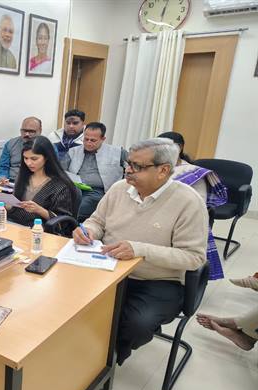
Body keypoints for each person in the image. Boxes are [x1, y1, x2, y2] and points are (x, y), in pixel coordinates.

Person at [73, 138, 208, 365]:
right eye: (129, 163)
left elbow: (193, 257)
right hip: (109, 269)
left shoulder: (188, 202)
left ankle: (110, 360)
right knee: (72, 304)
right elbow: (97, 221)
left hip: (157, 280)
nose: (128, 170)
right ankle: (86, 354)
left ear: (163, 170)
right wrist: (88, 231)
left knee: (137, 324)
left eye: (137, 166)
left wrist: (140, 250)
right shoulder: (119, 189)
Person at [158, 131, 228, 280]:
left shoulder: (193, 172)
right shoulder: (153, 167)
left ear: (179, 148)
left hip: (180, 219)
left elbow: (198, 205)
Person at [6, 136, 78, 228]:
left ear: (47, 157)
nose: (28, 163)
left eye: (34, 159)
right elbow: (16, 206)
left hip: (39, 229)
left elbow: (63, 222)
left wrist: (39, 210)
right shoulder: (23, 176)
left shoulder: (60, 185)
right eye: (25, 158)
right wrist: (4, 205)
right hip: (14, 224)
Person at [62, 122, 127, 220]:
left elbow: (133, 167)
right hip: (74, 188)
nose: (88, 143)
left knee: (79, 208)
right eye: (86, 139)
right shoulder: (73, 151)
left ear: (103, 139)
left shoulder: (118, 152)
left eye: (93, 140)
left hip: (97, 191)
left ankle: (68, 226)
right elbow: (60, 170)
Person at [0, 116, 43, 183]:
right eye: (24, 130)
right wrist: (2, 177)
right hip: (11, 181)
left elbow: (52, 170)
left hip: (36, 183)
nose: (26, 134)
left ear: (40, 131)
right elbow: (3, 167)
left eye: (31, 131)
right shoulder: (10, 144)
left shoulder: (48, 147)